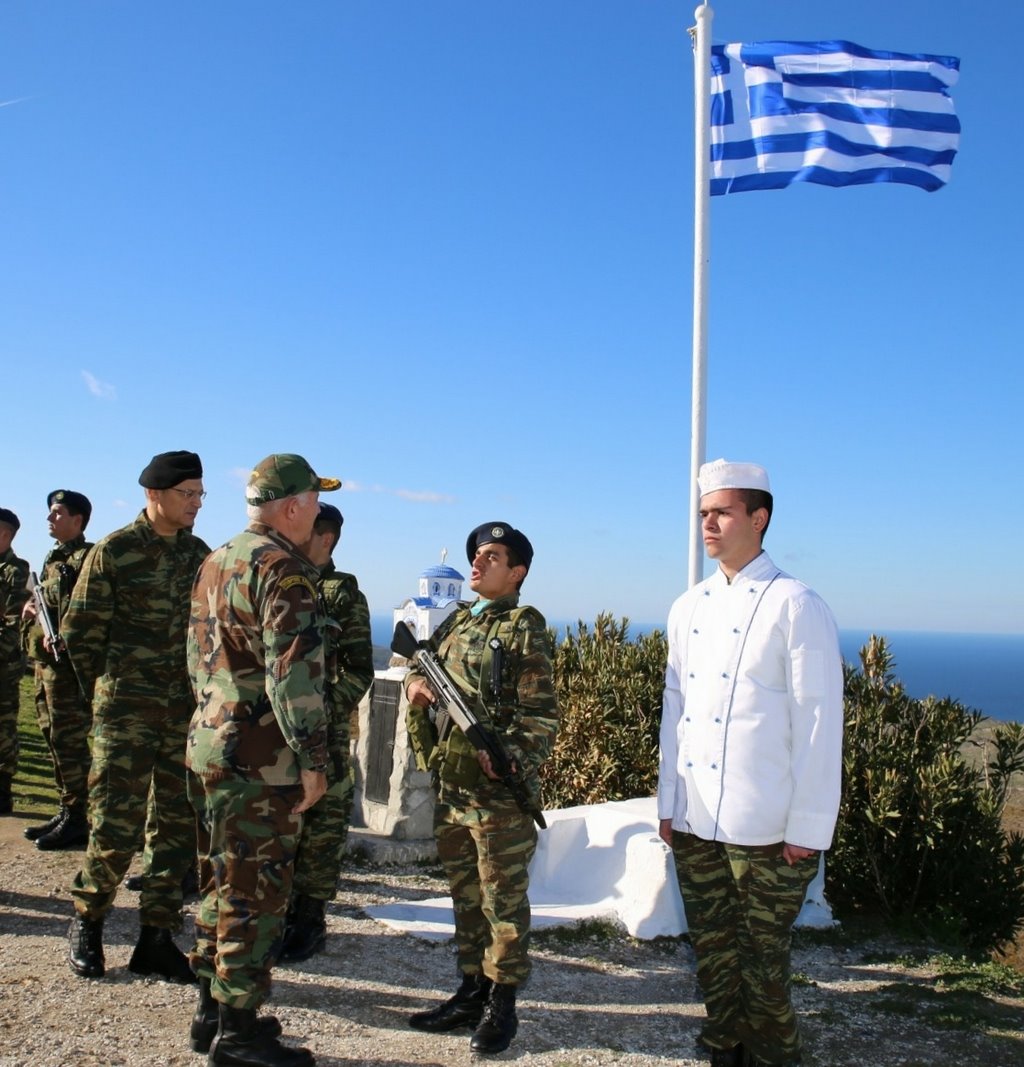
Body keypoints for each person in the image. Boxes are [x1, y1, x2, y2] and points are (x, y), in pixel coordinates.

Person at [657, 459, 844, 1067]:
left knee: (762, 963)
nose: (708, 525)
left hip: (769, 826)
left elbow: (818, 724)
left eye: (722, 513)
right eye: (703, 514)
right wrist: (668, 804)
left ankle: (774, 1057)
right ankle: (724, 1047)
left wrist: (808, 828)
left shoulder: (797, 605)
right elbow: (676, 714)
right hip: (696, 819)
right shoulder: (688, 607)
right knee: (713, 951)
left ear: (759, 518)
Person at [186, 453, 339, 1067]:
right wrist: (314, 759)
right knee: (255, 894)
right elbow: (294, 678)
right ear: (294, 507)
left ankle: (212, 1012)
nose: (319, 513)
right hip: (261, 760)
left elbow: (197, 657)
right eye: (316, 502)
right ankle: (240, 1037)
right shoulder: (285, 572)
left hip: (211, 744)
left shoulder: (216, 560)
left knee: (219, 883)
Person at [405, 522, 558, 1056]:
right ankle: (471, 989)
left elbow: (541, 715)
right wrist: (416, 685)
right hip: (454, 790)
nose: (478, 561)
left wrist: (509, 757)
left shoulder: (522, 627)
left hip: (497, 798)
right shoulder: (456, 622)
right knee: (466, 897)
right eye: (477, 554)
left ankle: (502, 1003)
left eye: (492, 556)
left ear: (516, 573)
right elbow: (418, 666)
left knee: (502, 903)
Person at [64, 450, 210, 983]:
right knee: (115, 822)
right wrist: (108, 697)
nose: (195, 504)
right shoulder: (115, 552)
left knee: (175, 827)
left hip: (182, 714)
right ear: (154, 494)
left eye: (200, 495)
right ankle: (89, 919)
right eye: (186, 494)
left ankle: (156, 937)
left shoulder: (199, 555)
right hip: (125, 712)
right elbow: (80, 634)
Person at [279, 502, 374, 963]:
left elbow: (359, 669)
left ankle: (309, 919)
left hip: (325, 734)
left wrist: (322, 711)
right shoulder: (278, 581)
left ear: (325, 538)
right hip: (275, 731)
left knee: (323, 827)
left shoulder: (343, 595)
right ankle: (276, 913)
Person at [21, 490, 95, 849]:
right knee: (53, 739)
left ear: (77, 520)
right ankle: (67, 809)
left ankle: (79, 818)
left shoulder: (87, 559)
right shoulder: (54, 558)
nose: (50, 519)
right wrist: (32, 607)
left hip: (68, 670)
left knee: (70, 744)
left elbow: (86, 610)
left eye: (57, 513)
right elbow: (47, 600)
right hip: (45, 667)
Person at [0, 508, 30, 816]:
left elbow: (12, 622)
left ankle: (2, 789)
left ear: (4, 534)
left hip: (3, 663)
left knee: (3, 726)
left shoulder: (15, 570)